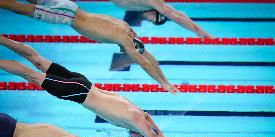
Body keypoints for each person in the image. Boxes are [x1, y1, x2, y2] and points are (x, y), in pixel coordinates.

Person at [0, 36, 203, 137]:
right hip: (78, 92)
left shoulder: (138, 112)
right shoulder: (139, 123)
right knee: (30, 74)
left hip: (83, 83)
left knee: (38, 61)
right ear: (145, 134)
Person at [0, 0, 179, 95]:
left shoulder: (127, 29)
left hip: (72, 7)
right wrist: (162, 83)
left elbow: (148, 56)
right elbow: (144, 62)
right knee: (20, 8)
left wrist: (166, 81)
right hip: (66, 16)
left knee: (33, 1)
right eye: (127, 51)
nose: (124, 52)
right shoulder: (125, 40)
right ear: (132, 46)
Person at [110, 0, 214, 38]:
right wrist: (199, 32)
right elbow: (176, 18)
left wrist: (200, 30)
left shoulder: (145, 7)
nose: (150, 21)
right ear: (157, 14)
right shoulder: (156, 4)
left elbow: (178, 14)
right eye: (153, 20)